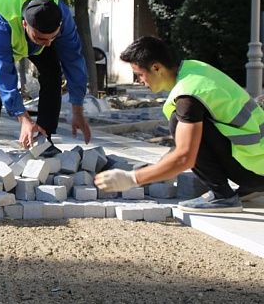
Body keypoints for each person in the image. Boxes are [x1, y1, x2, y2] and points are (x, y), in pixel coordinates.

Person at [95, 36, 264, 212]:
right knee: (188, 128)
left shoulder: (188, 98)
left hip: (256, 169)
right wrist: (158, 167)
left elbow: (185, 157)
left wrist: (132, 178)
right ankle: (248, 187)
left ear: (156, 68)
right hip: (258, 160)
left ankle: (223, 196)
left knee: (179, 121)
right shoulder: (195, 70)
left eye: (140, 75)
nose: (140, 82)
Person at [0, 0, 91, 157]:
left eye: (53, 37)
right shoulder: (1, 24)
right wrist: (23, 118)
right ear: (25, 24)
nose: (47, 43)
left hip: (35, 36)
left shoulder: (63, 16)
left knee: (53, 75)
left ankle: (45, 142)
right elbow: (4, 74)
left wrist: (78, 109)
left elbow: (74, 60)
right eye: (40, 38)